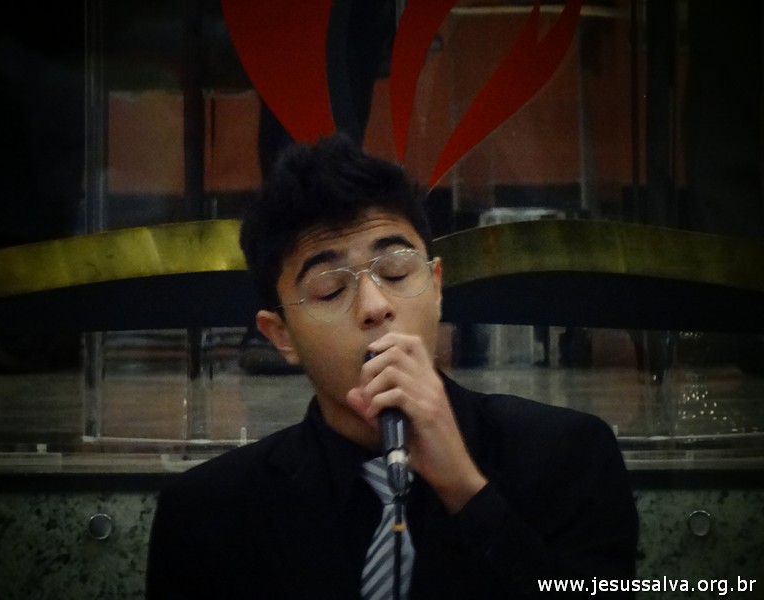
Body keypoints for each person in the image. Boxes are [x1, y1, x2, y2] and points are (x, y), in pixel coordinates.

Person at [146, 134, 638, 599]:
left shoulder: (568, 455)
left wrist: (467, 491)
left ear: (437, 286)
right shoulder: (207, 513)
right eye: (330, 290)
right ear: (281, 336)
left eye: (397, 272)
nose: (375, 306)